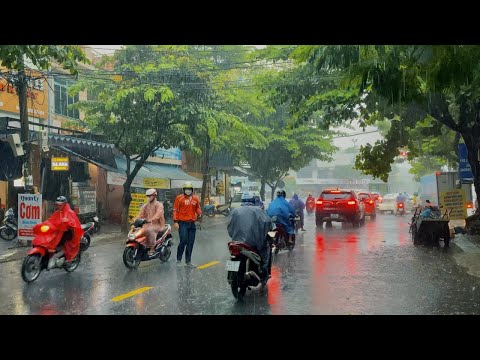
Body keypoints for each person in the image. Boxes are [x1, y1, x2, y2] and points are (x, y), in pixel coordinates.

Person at [227, 204, 273, 285]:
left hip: (237, 242)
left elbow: (230, 227)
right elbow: (268, 223)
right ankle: (263, 272)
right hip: (253, 243)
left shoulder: (235, 211)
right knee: (266, 249)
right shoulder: (259, 210)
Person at [47, 196, 83, 269]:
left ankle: (59, 256)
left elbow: (72, 223)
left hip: (69, 233)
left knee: (62, 242)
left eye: (60, 205)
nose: (58, 206)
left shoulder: (69, 212)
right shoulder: (57, 212)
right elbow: (51, 220)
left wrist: (67, 223)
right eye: (57, 204)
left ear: (64, 204)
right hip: (59, 232)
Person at [173, 182, 202, 267]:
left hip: (192, 224)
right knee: (183, 241)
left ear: (192, 190)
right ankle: (178, 260)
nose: (188, 190)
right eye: (186, 189)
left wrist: (199, 213)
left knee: (190, 242)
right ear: (184, 190)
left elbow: (198, 208)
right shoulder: (179, 198)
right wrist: (175, 221)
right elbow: (175, 210)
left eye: (189, 189)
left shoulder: (195, 199)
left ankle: (188, 261)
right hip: (182, 224)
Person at [137, 188, 165, 255]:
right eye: (147, 196)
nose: (148, 197)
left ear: (154, 195)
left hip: (158, 225)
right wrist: (136, 220)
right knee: (138, 230)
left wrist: (152, 219)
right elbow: (140, 214)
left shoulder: (159, 205)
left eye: (150, 196)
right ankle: (142, 245)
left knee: (150, 230)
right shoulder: (146, 206)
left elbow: (158, 213)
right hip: (147, 224)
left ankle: (152, 247)